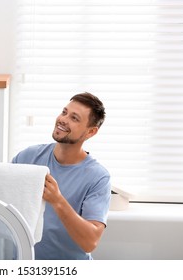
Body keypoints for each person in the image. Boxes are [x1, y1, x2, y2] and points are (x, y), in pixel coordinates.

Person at [12, 92, 111, 260]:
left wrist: (57, 200)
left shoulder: (98, 177)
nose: (63, 119)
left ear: (90, 132)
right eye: (64, 112)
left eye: (74, 118)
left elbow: (90, 242)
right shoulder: (28, 157)